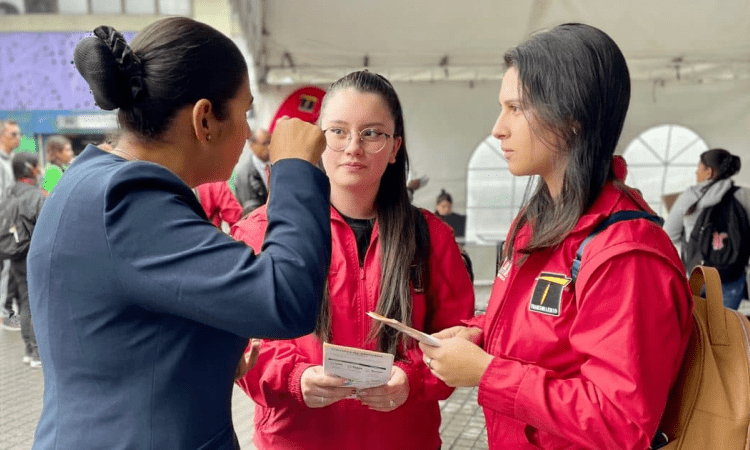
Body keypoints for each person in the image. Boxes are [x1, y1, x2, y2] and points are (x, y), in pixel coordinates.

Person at [27, 18, 331, 450]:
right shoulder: (128, 200)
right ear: (205, 119)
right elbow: (285, 299)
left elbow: (115, 337)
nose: (247, 132)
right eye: (243, 113)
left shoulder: (87, 182)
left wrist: (208, 356)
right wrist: (295, 168)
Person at [420, 23, 693, 450]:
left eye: (515, 108)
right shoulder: (539, 222)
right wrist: (478, 332)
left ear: (571, 118)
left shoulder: (626, 254)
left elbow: (619, 420)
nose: (498, 128)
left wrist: (487, 373)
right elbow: (537, 330)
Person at [232, 70, 475, 450]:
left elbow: (460, 336)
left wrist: (412, 379)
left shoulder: (431, 237)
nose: (353, 147)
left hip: (402, 438)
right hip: (297, 439)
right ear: (318, 140)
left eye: (372, 133)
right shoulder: (261, 231)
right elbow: (239, 341)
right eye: (338, 131)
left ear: (395, 147)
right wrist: (294, 377)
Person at [664, 148, 750, 309]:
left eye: (698, 170)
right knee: (725, 328)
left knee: (700, 329)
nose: (696, 175)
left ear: (709, 172)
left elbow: (669, 234)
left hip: (698, 275)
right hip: (732, 275)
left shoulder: (690, 195)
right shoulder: (745, 195)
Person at [8, 152, 46, 367]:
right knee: (35, 303)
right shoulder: (34, 196)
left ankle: (28, 351)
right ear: (31, 168)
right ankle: (37, 353)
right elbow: (43, 227)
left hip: (14, 254)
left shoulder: (9, 193)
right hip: (31, 254)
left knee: (24, 301)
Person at [0, 118, 21, 331]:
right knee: (7, 270)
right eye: (13, 134)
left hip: (12, 224)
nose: (18, 138)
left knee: (9, 271)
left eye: (19, 134)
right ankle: (5, 315)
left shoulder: (12, 160)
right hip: (6, 226)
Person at [234, 128, 271, 214]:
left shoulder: (276, 164)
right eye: (265, 143)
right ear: (252, 146)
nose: (269, 147)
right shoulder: (243, 175)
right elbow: (251, 211)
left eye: (270, 142)